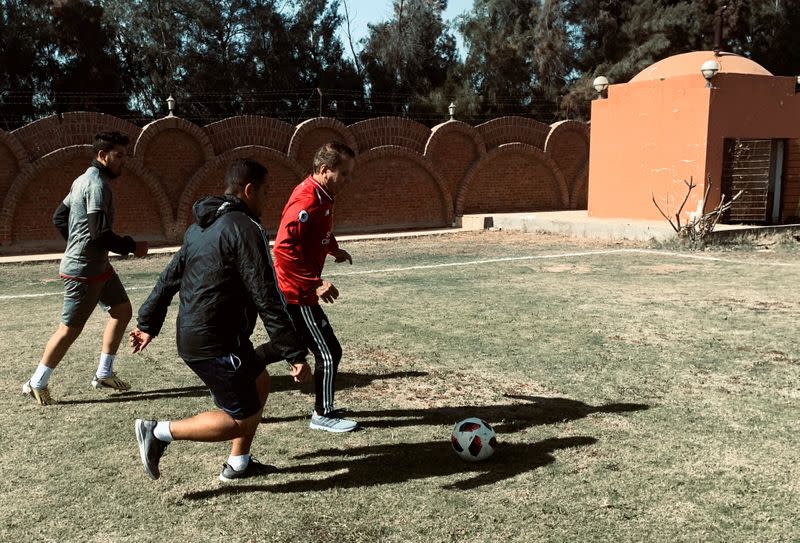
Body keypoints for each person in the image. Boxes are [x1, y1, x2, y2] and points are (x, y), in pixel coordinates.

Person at [129, 158, 311, 482]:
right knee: (238, 419)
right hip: (214, 342)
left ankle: (238, 464)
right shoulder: (244, 227)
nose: (268, 201)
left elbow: (169, 277)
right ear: (250, 190)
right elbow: (266, 294)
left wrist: (147, 323)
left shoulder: (201, 227)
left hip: (212, 336)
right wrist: (294, 354)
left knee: (260, 381)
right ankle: (157, 432)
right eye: (266, 193)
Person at [22, 131, 148, 405]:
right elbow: (100, 234)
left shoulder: (82, 180)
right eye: (119, 156)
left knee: (122, 310)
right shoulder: (97, 186)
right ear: (102, 156)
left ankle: (104, 373)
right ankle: (37, 381)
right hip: (83, 271)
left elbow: (59, 217)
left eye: (124, 156)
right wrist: (131, 246)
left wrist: (77, 243)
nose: (122, 162)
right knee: (69, 329)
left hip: (98, 267)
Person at [263, 141, 358, 432]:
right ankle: (323, 414)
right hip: (297, 292)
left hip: (299, 288)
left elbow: (318, 232)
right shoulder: (307, 199)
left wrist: (334, 250)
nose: (347, 180)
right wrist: (314, 283)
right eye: (343, 173)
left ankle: (238, 368)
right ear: (324, 169)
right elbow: (283, 249)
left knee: (290, 344)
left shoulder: (322, 195)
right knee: (329, 352)